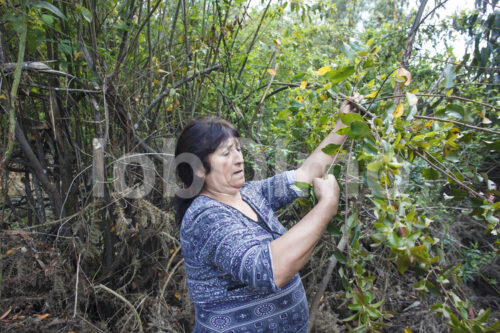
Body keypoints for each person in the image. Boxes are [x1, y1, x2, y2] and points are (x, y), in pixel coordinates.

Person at [174, 95, 363, 332]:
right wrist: (326, 206)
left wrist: (344, 122)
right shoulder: (205, 217)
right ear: (199, 168)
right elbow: (271, 270)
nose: (239, 159)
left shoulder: (250, 193)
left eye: (239, 149)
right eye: (226, 153)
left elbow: (305, 174)